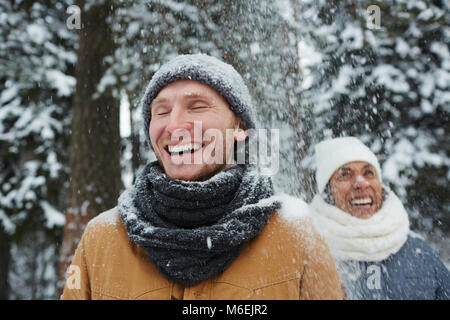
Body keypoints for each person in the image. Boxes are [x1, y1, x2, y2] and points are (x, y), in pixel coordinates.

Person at [60, 54, 344, 300]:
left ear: (240, 126)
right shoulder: (101, 239)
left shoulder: (295, 234)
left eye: (197, 106)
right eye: (161, 111)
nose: (174, 126)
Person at [309, 136, 450, 300]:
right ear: (328, 193)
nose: (361, 183)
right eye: (345, 175)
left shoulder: (419, 251)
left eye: (368, 173)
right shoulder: (309, 251)